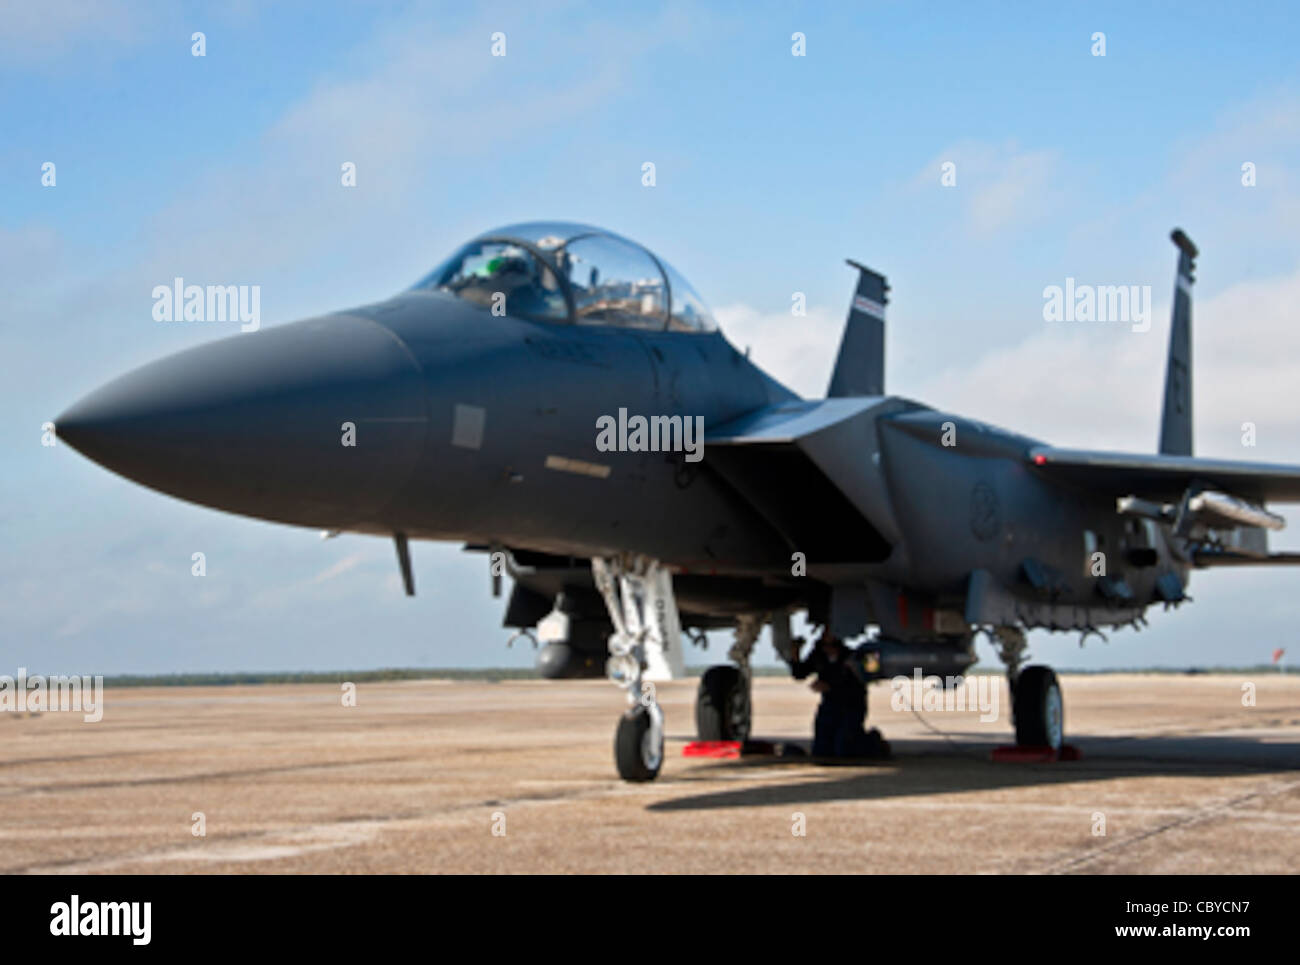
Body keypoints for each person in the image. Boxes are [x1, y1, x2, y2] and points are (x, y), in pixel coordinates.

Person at [788, 632, 887, 758]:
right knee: (821, 752)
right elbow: (800, 673)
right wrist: (795, 654)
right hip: (830, 706)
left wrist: (830, 686)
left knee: (844, 750)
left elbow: (866, 677)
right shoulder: (819, 655)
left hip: (852, 706)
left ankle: (874, 741)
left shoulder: (851, 656)